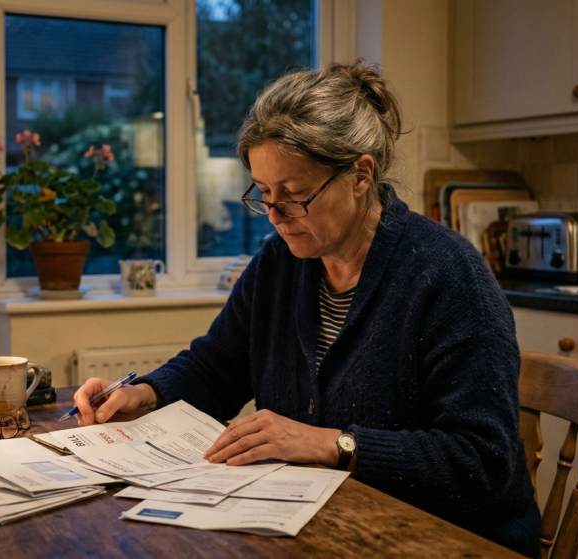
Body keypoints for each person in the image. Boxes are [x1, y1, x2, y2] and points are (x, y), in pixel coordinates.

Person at [73, 61, 541, 558]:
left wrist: (328, 444)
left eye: (295, 196)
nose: (275, 216)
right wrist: (146, 393)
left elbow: (480, 461)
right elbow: (217, 366)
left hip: (447, 542)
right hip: (327, 528)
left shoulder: (447, 275)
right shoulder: (282, 263)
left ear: (361, 175)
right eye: (264, 194)